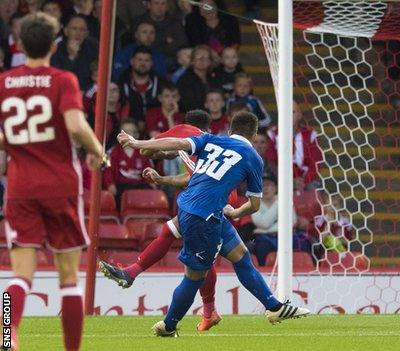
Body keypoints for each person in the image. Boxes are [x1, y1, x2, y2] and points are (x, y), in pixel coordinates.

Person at [116, 111, 310, 336]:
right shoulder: (253, 158)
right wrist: (235, 212)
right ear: (255, 135)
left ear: (230, 130)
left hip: (198, 209)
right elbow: (254, 205)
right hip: (203, 217)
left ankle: (273, 307)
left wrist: (136, 141)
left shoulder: (212, 139)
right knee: (194, 276)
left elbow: (178, 143)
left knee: (241, 254)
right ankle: (169, 326)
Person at [0, 12, 105, 350]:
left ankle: (5, 333)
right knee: (69, 278)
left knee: (20, 275)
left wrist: (14, 151)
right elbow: (75, 125)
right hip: (59, 184)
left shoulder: (4, 83)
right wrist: (97, 151)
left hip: (20, 186)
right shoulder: (62, 79)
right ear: (54, 43)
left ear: (20, 44)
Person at [99, 109, 228, 331]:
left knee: (212, 263)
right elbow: (192, 178)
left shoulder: (187, 132)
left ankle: (191, 317)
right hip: (214, 200)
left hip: (214, 204)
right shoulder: (209, 148)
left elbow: (155, 147)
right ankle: (132, 273)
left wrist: (135, 142)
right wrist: (162, 178)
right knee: (173, 234)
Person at [104, 119, 154, 204]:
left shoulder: (144, 152)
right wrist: (110, 185)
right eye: (125, 132)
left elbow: (149, 172)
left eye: (131, 132)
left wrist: (152, 183)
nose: (128, 135)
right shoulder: (113, 152)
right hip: (121, 188)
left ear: (137, 134)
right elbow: (108, 172)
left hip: (140, 187)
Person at [116, 45, 167, 128]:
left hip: (156, 127)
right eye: (139, 60)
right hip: (129, 129)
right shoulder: (121, 82)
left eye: (147, 60)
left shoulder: (162, 83)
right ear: (132, 61)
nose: (143, 63)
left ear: (152, 63)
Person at [50, 14, 98, 91]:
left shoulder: (94, 47)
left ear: (86, 33)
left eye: (82, 30)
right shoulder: (56, 49)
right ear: (66, 31)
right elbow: (60, 79)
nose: (78, 33)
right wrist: (71, 57)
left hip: (88, 93)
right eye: (74, 29)